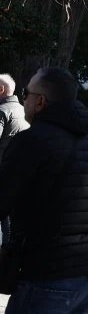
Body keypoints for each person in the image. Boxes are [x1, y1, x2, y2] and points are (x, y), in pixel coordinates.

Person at [0, 67, 88, 314]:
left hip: (47, 275)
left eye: (27, 94)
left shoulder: (32, 141)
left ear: (40, 101)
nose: (23, 99)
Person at [0, 73, 29, 246]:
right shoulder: (23, 110)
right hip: (19, 171)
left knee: (5, 219)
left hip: (3, 170)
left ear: (1, 90)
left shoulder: (2, 111)